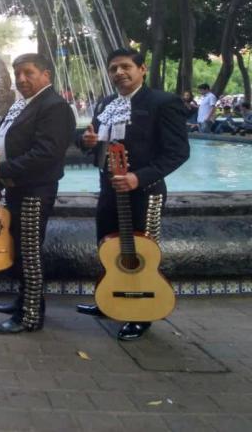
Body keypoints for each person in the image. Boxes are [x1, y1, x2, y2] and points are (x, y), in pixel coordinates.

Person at [77, 48, 189, 341]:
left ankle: (141, 314)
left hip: (144, 193)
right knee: (106, 245)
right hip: (109, 190)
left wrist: (139, 177)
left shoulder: (163, 102)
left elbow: (178, 153)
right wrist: (86, 141)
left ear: (142, 69)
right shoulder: (106, 103)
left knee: (140, 252)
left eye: (125, 66)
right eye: (114, 69)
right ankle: (109, 298)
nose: (119, 73)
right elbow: (92, 140)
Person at [0, 53, 75, 334]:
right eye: (17, 74)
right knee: (22, 251)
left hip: (35, 190)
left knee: (31, 253)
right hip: (17, 188)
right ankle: (24, 300)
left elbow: (46, 154)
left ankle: (30, 317)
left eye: (28, 73)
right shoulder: (25, 105)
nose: (21, 79)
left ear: (46, 75)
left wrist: (1, 169)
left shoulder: (54, 106)